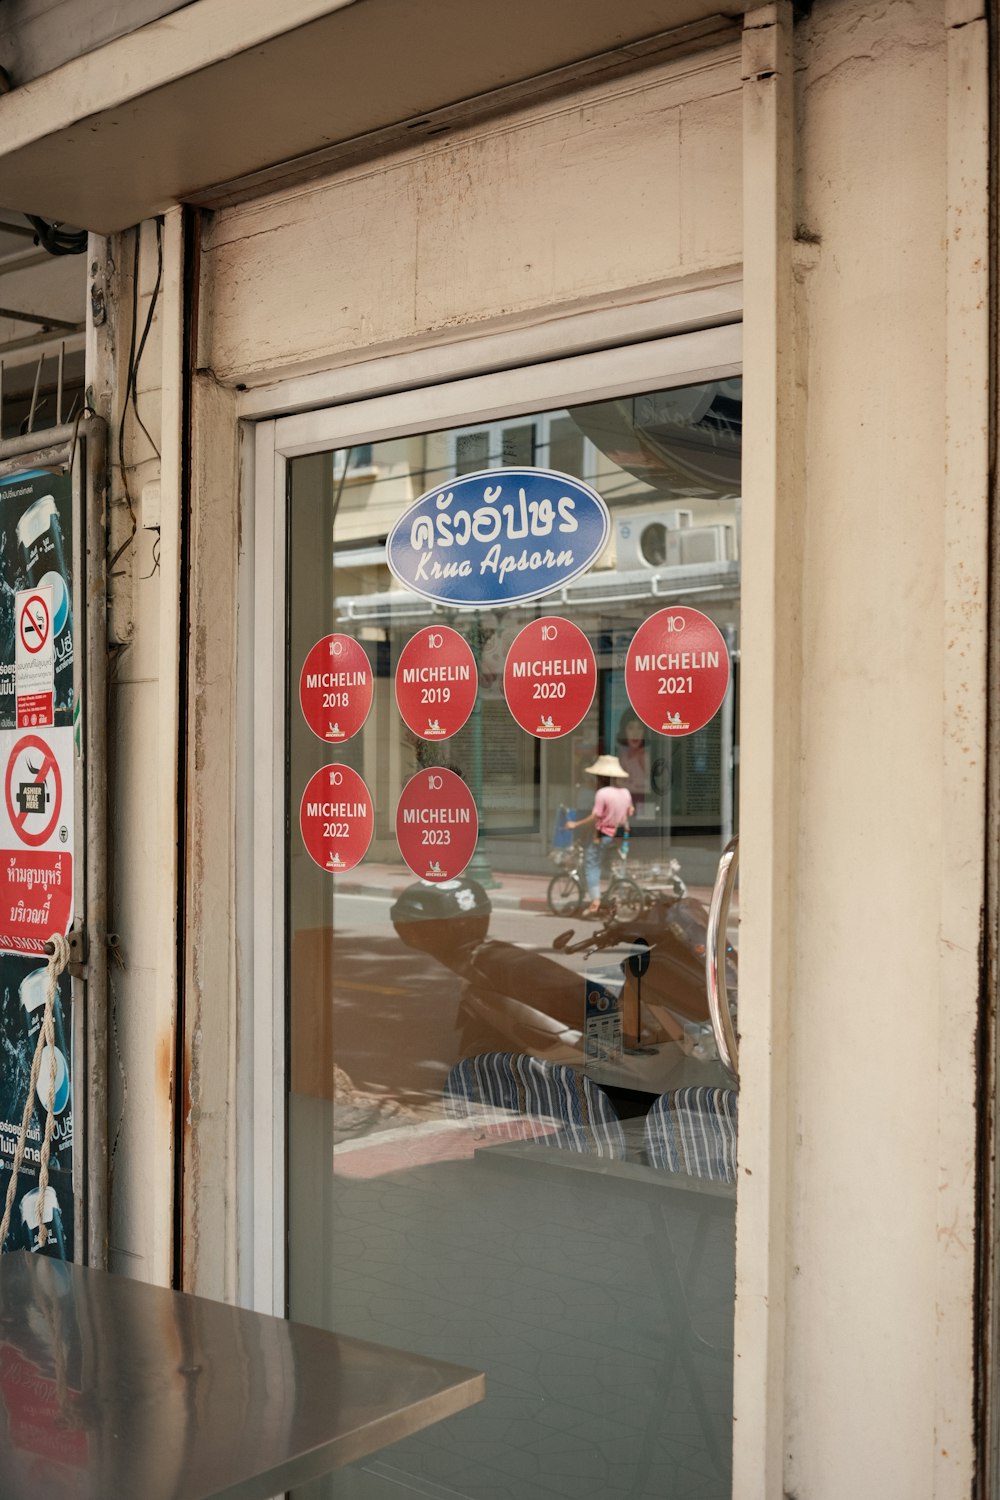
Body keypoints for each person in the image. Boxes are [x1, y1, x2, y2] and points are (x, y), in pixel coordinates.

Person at [564, 754, 635, 917]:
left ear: (601, 777)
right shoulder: (625, 792)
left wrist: (575, 824)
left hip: (602, 834)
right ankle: (616, 897)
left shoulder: (602, 793)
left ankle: (595, 903)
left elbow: (595, 816)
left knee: (591, 867)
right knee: (613, 867)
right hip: (618, 834)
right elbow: (631, 810)